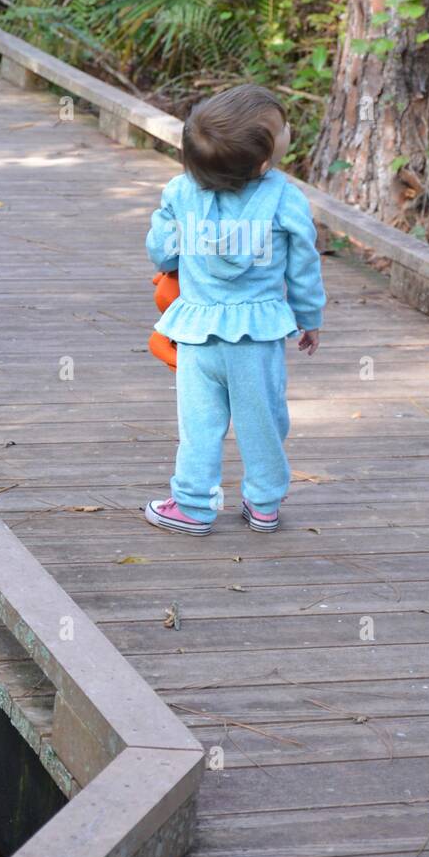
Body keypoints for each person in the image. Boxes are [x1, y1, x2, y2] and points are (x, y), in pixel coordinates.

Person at [144, 84, 326, 535]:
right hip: (258, 336)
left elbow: (162, 252)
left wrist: (177, 254)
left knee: (199, 425)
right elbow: (304, 266)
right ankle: (263, 503)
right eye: (283, 128)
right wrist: (309, 318)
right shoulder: (285, 200)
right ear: (264, 162)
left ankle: (191, 505)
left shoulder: (180, 193)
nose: (288, 129)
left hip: (199, 333)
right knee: (262, 419)